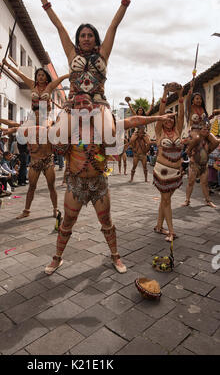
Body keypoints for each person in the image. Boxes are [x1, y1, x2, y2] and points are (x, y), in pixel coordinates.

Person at [45, 93, 175, 275]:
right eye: (78, 103)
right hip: (76, 183)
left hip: (99, 182)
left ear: (93, 107)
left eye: (86, 103)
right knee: (67, 222)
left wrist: (159, 117)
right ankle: (57, 258)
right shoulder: (69, 129)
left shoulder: (104, 127)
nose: (82, 106)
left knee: (107, 222)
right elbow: (52, 138)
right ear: (74, 109)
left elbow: (133, 121)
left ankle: (115, 255)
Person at [38, 0, 132, 145]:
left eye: (90, 35)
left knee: (109, 137)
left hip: (98, 102)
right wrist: (45, 3)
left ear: (95, 38)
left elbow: (113, 26)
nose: (86, 38)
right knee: (56, 138)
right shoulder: (71, 53)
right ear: (78, 39)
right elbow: (59, 27)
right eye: (83, 35)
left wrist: (125, 1)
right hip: (73, 104)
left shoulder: (103, 53)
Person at [153, 84, 184, 242]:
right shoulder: (159, 131)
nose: (169, 121)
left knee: (166, 200)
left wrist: (181, 95)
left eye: (171, 118)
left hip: (176, 172)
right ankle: (171, 231)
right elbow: (160, 112)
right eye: (166, 118)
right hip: (163, 172)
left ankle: (159, 226)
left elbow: (182, 115)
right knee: (166, 200)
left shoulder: (178, 130)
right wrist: (165, 92)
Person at [183, 122, 220, 208]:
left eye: (208, 129)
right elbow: (188, 151)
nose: (206, 131)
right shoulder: (196, 139)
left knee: (205, 183)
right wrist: (191, 155)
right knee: (191, 182)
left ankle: (208, 201)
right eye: (204, 129)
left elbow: (212, 147)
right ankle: (187, 200)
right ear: (199, 130)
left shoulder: (209, 141)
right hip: (194, 164)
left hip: (204, 165)